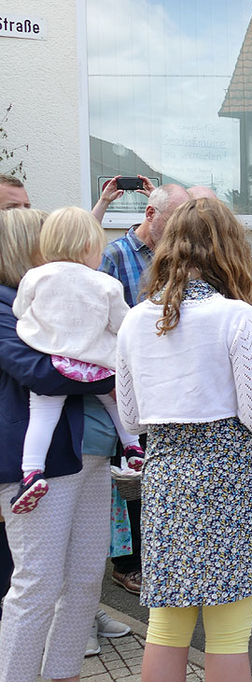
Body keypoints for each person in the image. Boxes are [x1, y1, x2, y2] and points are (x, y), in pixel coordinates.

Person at [115, 197, 252, 681]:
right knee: (229, 632)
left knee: (166, 626)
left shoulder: (134, 318)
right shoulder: (236, 314)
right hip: (228, 475)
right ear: (228, 247)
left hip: (167, 474)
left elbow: (132, 416)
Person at [0, 207, 117, 682]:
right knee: (37, 586)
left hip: (92, 456)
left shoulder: (62, 300)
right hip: (42, 468)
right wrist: (107, 370)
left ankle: (63, 681)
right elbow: (42, 374)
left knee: (87, 579)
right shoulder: (7, 306)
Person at [9, 207, 142, 514]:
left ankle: (32, 473)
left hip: (55, 366)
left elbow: (19, 310)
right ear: (87, 247)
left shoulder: (34, 277)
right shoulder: (105, 283)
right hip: (96, 368)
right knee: (115, 402)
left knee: (42, 415)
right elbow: (121, 324)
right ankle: (133, 446)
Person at [99, 182, 189, 596]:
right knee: (131, 474)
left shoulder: (175, 258)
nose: (179, 231)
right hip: (128, 380)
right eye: (173, 220)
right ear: (151, 215)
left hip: (167, 379)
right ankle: (127, 564)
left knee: (156, 472)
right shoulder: (115, 255)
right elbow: (96, 317)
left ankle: (157, 557)